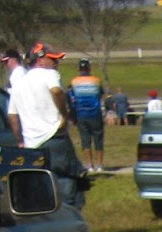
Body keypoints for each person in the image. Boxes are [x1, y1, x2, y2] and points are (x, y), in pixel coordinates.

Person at [7, 43, 85, 205]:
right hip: (54, 136)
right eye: (52, 59)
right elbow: (56, 91)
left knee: (41, 186)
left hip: (32, 144)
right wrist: (64, 115)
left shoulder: (19, 83)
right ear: (40, 60)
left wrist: (20, 140)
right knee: (67, 178)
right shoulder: (49, 74)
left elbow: (12, 116)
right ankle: (68, 217)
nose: (56, 63)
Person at [69, 58, 106, 173]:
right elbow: (101, 94)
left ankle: (89, 165)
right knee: (98, 140)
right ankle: (99, 165)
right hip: (95, 113)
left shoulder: (74, 82)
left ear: (79, 69)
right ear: (89, 68)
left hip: (81, 114)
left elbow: (71, 98)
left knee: (85, 141)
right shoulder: (96, 81)